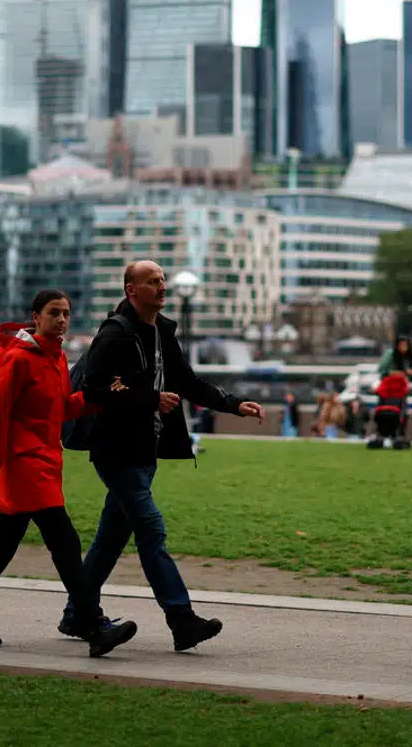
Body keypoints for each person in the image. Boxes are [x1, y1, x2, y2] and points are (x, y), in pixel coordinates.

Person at [59, 261, 264, 652]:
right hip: (114, 449)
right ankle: (181, 619)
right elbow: (95, 388)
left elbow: (186, 381)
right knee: (151, 529)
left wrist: (234, 405)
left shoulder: (162, 331)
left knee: (109, 540)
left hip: (145, 449)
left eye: (162, 280)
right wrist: (150, 398)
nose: (161, 286)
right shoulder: (115, 333)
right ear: (131, 290)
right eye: (152, 281)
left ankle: (75, 612)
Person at [0, 289, 138, 658]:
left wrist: (101, 397)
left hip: (47, 464)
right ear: (36, 317)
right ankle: (93, 623)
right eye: (54, 313)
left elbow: (61, 409)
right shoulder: (18, 361)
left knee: (2, 545)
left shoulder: (56, 357)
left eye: (66, 313)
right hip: (25, 466)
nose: (62, 320)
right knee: (65, 543)